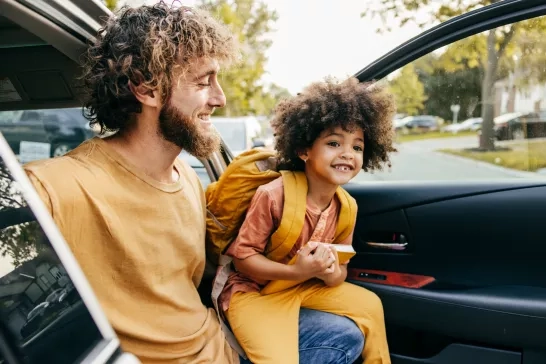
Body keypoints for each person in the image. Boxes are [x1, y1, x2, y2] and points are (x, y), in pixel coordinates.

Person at [23, 3, 365, 363]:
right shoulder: (55, 186)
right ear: (146, 88)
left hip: (219, 341)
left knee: (346, 335)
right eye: (203, 83)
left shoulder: (186, 176)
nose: (220, 98)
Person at [219, 77, 397, 364]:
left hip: (302, 288)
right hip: (254, 294)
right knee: (278, 358)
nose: (347, 154)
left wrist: (327, 272)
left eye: (357, 147)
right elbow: (243, 260)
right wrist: (298, 272)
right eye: (334, 143)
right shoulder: (273, 195)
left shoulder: (347, 207)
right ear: (304, 150)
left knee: (370, 306)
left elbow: (340, 272)